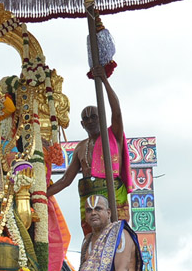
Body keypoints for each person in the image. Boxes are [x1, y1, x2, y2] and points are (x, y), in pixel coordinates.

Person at [45, 65, 131, 219]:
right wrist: (41, 195)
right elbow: (65, 180)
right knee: (90, 242)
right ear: (82, 124)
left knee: (115, 237)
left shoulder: (113, 135)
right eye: (86, 119)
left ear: (102, 118)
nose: (90, 121)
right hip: (87, 198)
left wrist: (104, 80)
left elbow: (117, 112)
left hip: (112, 196)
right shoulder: (80, 147)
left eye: (94, 117)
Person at [43, 194, 140, 271]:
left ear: (108, 213)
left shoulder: (121, 234)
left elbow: (122, 270)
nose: (93, 213)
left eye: (98, 209)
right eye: (89, 210)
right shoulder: (87, 240)